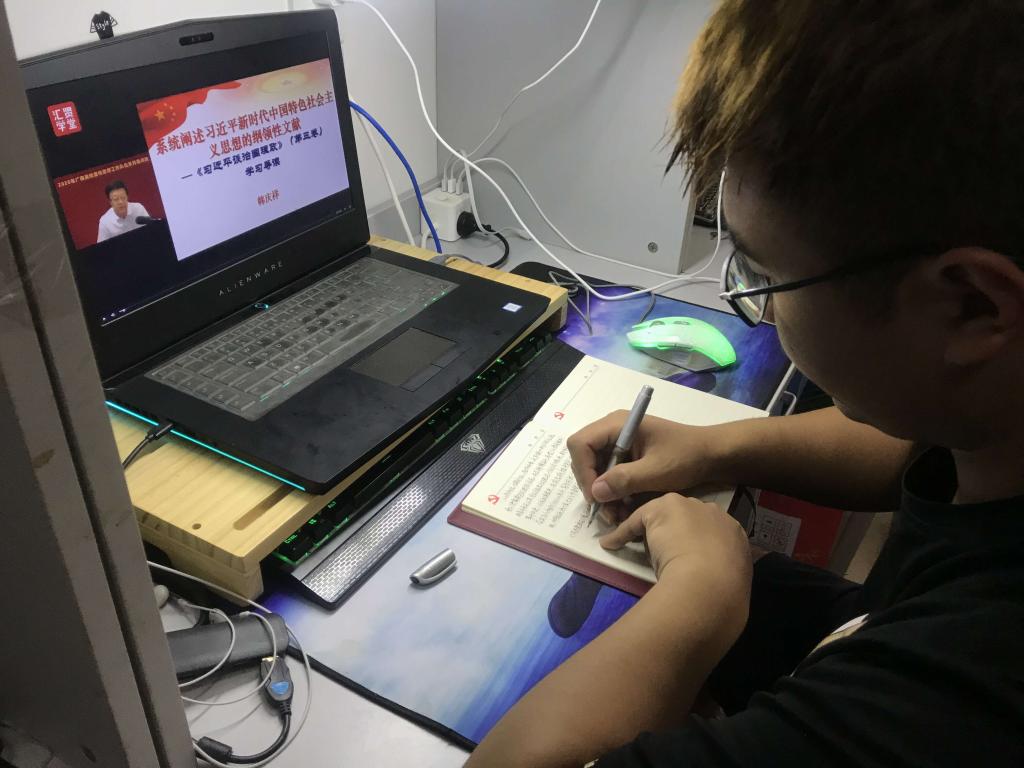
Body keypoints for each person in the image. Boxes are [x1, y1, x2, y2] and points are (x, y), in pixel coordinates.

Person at [466, 1, 1024, 766]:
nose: (755, 304)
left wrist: (699, 599)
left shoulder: (955, 698)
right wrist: (717, 449)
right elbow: (918, 449)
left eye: (762, 275)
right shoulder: (992, 426)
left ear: (971, 307)